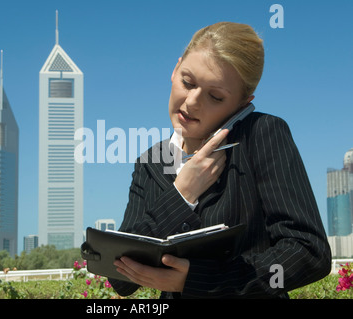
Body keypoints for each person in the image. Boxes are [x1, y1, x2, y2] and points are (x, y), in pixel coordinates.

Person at [109, 22, 331, 298]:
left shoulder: (261, 135)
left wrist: (200, 280)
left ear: (242, 105)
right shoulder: (150, 162)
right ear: (175, 69)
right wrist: (182, 195)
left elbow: (309, 251)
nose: (191, 102)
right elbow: (121, 278)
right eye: (187, 82)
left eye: (215, 96)